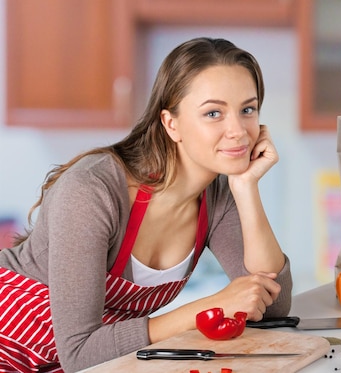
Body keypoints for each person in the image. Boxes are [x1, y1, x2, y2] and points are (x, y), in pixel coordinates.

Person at [0, 37, 292, 373]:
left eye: (247, 110)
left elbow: (273, 307)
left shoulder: (217, 196)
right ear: (171, 123)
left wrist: (246, 186)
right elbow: (79, 352)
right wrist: (208, 308)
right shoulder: (92, 191)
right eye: (214, 113)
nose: (238, 131)